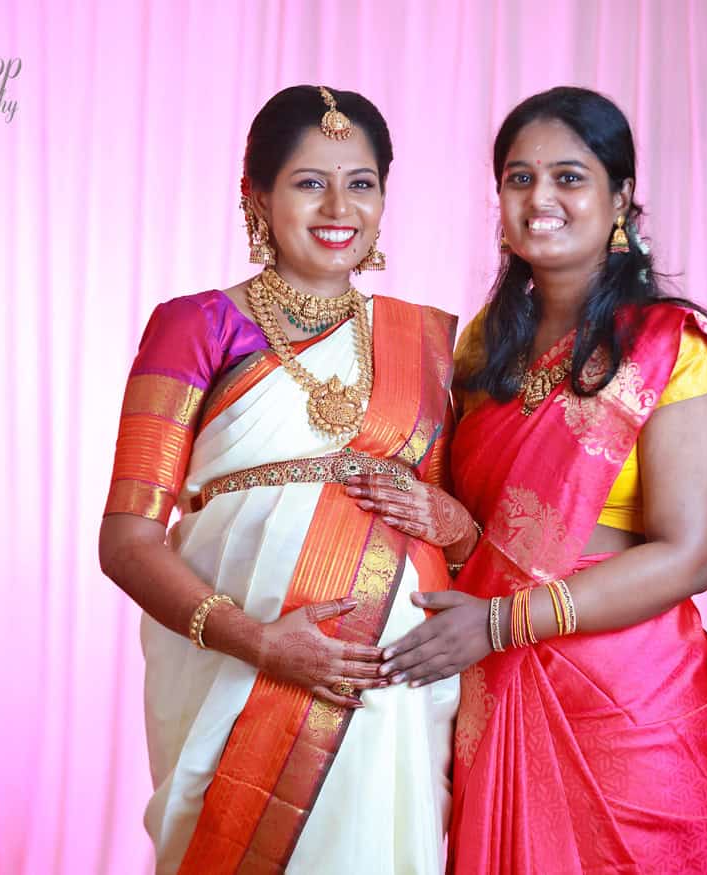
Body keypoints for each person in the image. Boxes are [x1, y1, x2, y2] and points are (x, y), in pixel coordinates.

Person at [346, 87, 707, 873]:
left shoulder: (672, 349)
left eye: (569, 176)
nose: (541, 199)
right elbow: (482, 531)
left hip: (629, 700)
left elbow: (688, 555)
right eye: (518, 178)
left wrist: (500, 623)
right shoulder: (478, 355)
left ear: (619, 197)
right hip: (495, 688)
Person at [99, 85, 463, 875]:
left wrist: (451, 520)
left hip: (391, 681)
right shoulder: (195, 324)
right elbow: (126, 540)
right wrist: (262, 643)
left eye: (360, 182)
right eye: (309, 181)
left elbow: (459, 535)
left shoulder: (426, 343)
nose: (339, 206)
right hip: (236, 665)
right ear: (255, 194)